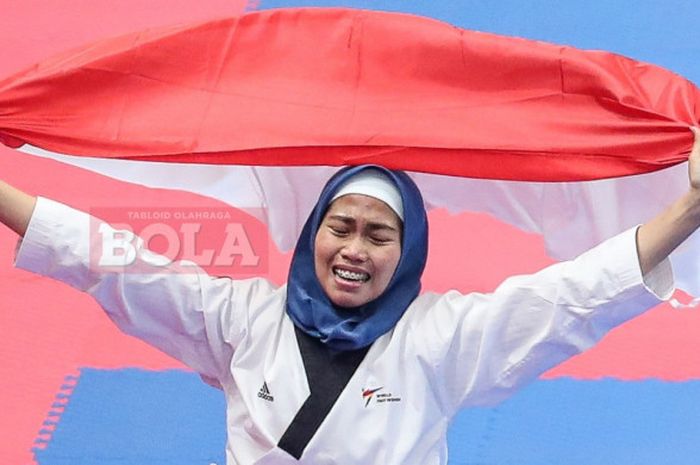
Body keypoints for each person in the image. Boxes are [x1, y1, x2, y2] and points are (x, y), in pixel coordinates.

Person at [1, 128, 699, 464]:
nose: (355, 250)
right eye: (341, 227)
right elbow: (111, 261)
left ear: (407, 253)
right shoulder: (241, 319)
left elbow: (572, 296)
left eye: (378, 235)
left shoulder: (442, 338)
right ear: (313, 233)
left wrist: (690, 209)